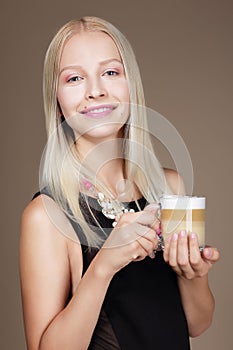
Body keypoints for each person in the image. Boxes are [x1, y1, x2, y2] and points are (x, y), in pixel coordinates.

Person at [19, 16, 220, 350]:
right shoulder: (46, 216)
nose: (95, 90)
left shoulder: (170, 188)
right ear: (56, 98)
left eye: (110, 72)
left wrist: (193, 274)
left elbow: (197, 324)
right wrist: (103, 266)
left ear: (131, 84)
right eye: (74, 78)